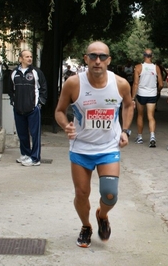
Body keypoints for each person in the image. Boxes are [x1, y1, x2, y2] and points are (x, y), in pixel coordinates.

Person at [54, 41, 134, 248]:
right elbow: (59, 111)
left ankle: (102, 215)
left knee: (110, 194)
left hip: (108, 147)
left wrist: (125, 130)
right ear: (85, 58)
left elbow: (128, 105)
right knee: (82, 193)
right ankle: (86, 226)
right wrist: (66, 126)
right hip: (81, 147)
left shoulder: (120, 84)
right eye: (93, 56)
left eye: (102, 57)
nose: (97, 61)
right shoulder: (73, 83)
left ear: (109, 60)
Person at [9, 50, 48, 166]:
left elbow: (44, 88)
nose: (29, 59)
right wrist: (13, 102)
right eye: (27, 57)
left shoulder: (36, 72)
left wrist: (40, 103)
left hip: (33, 109)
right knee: (22, 134)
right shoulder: (14, 73)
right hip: (18, 109)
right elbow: (11, 90)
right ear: (20, 59)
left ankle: (35, 158)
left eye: (31, 56)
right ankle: (25, 154)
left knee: (35, 134)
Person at [132, 49, 164, 147]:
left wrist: (132, 97)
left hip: (141, 94)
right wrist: (157, 90)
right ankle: (152, 136)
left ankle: (140, 137)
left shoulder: (138, 67)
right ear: (152, 56)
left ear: (143, 56)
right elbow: (161, 84)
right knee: (151, 116)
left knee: (140, 115)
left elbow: (136, 83)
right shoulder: (156, 68)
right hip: (152, 94)